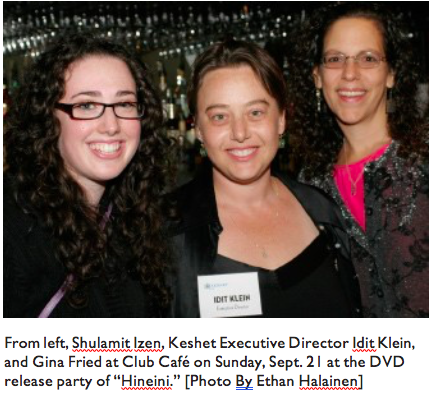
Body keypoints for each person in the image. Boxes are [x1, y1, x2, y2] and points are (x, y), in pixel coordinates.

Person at [168, 40, 362, 318]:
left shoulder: (322, 211)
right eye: (220, 116)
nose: (240, 132)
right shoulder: (165, 231)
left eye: (256, 112)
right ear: (198, 128)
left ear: (281, 119)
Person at [4, 35, 172, 317]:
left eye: (125, 104)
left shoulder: (135, 221)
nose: (111, 125)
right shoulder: (11, 227)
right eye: (86, 106)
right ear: (47, 118)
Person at [287, 3, 429, 317]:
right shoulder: (311, 185)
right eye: (335, 59)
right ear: (317, 77)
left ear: (391, 74)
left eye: (368, 58)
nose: (350, 73)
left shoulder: (424, 159)